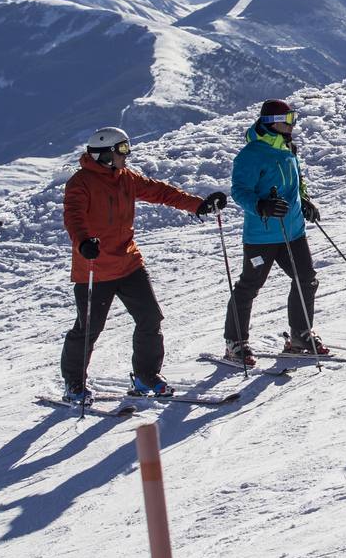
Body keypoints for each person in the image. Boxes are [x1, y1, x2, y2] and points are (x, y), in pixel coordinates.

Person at [61, 127, 228, 403]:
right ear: (105, 155)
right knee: (88, 328)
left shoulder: (126, 178)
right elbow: (74, 217)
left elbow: (161, 192)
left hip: (129, 264)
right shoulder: (80, 183)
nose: (127, 155)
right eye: (122, 150)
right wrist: (82, 242)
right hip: (95, 267)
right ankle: (74, 384)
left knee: (150, 318)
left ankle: (146, 377)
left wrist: (199, 206)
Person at [223, 99, 327, 366]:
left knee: (306, 279)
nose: (292, 124)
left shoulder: (288, 149)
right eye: (288, 119)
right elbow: (239, 191)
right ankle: (235, 342)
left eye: (293, 118)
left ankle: (300, 335)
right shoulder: (251, 154)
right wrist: (261, 205)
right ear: (271, 123)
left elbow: (295, 183)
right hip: (262, 235)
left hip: (293, 231)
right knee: (250, 285)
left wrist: (304, 202)